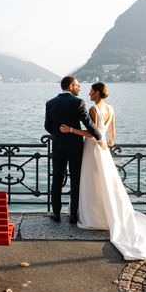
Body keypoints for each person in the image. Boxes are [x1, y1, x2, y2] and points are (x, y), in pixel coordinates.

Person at [60, 82, 146, 260]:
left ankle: (93, 216)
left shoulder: (93, 110)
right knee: (106, 182)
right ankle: (107, 213)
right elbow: (112, 132)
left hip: (92, 148)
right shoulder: (111, 109)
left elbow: (91, 133)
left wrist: (70, 130)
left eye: (91, 90)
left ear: (96, 93)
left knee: (91, 181)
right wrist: (108, 144)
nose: (88, 93)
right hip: (104, 150)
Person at [45, 76, 104, 223]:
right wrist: (100, 138)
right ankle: (73, 215)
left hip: (58, 147)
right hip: (75, 148)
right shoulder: (78, 102)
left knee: (57, 179)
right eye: (77, 85)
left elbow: (47, 126)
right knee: (75, 180)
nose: (80, 88)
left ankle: (56, 214)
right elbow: (88, 124)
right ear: (71, 86)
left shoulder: (50, 103)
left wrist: (58, 134)